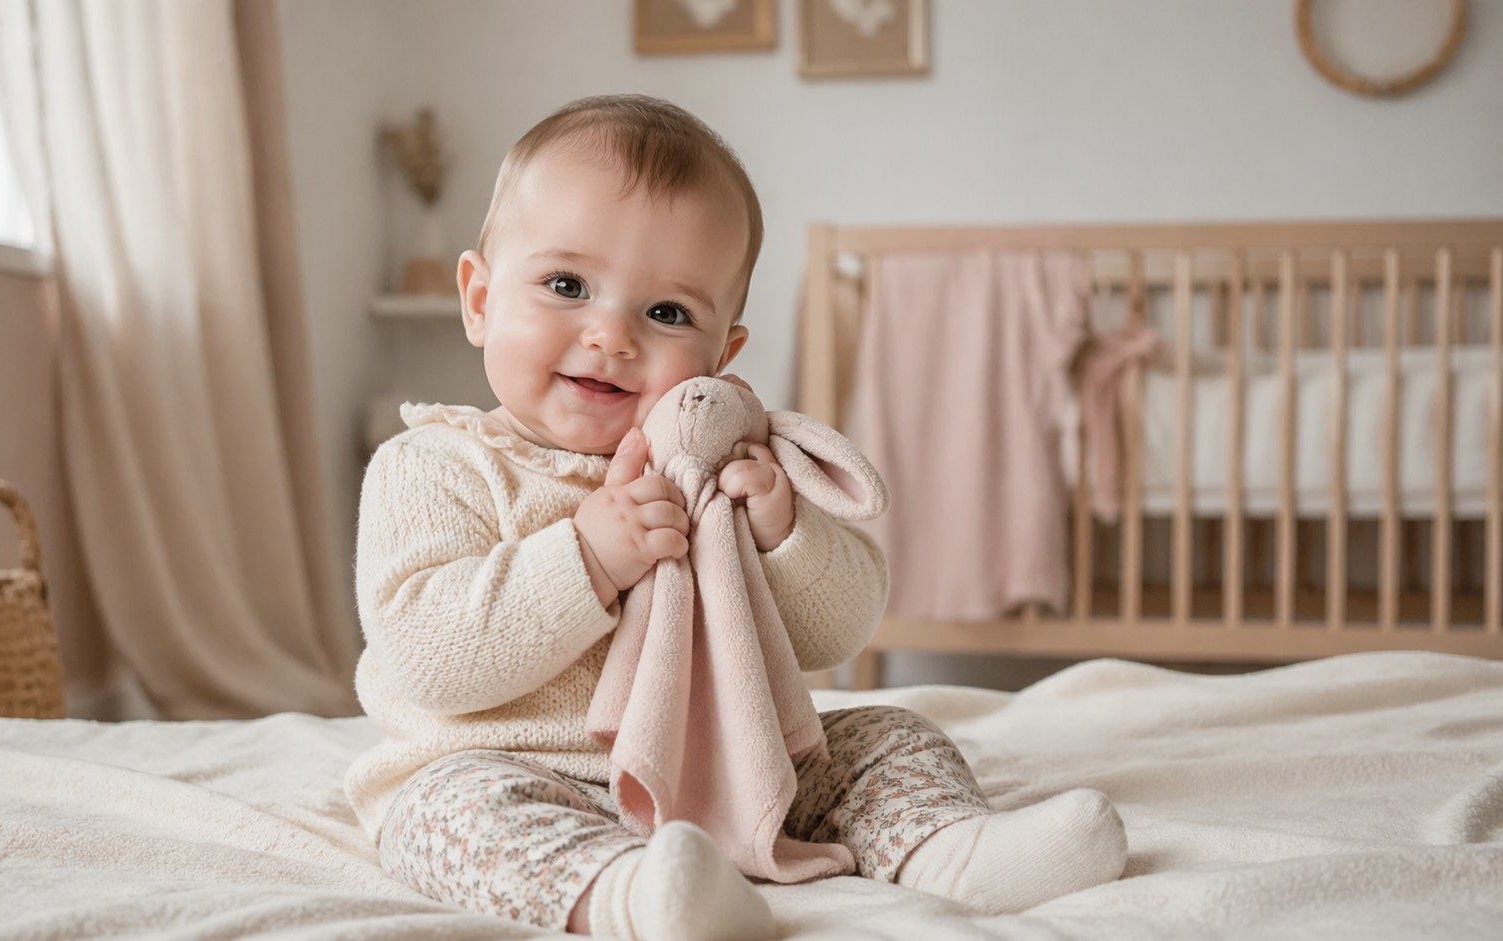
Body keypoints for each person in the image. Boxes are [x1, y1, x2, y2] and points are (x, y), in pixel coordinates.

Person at [346, 94, 1127, 941]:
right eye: (566, 284)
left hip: (728, 768)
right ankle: (635, 894)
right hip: (516, 767)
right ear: (479, 300)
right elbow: (426, 655)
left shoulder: (717, 467)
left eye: (668, 312)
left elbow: (839, 631)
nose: (610, 334)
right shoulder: (435, 465)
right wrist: (585, 556)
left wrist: (782, 534)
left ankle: (951, 851)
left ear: (722, 356)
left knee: (886, 734)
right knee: (444, 815)